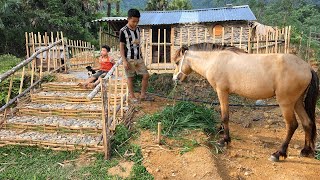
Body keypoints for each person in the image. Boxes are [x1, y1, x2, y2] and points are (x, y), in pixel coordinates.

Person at [119, 8, 154, 103]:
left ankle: (143, 95)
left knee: (146, 75)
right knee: (130, 77)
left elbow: (138, 44)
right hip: (129, 58)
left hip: (139, 58)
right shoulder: (123, 31)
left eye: (137, 21)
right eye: (133, 21)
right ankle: (132, 96)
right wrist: (124, 61)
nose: (135, 23)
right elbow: (121, 47)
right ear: (128, 19)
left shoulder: (138, 29)